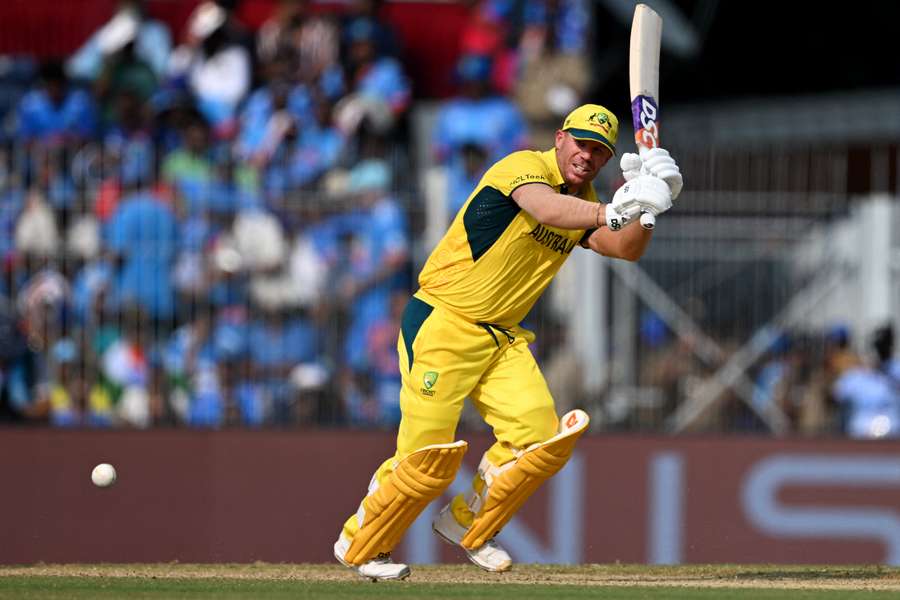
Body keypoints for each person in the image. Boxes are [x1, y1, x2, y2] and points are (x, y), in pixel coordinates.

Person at [332, 104, 683, 580]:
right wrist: (614, 208)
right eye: (581, 143)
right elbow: (545, 208)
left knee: (539, 440)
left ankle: (468, 525)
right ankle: (361, 544)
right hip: (444, 323)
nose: (587, 156)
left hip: (502, 338)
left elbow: (624, 248)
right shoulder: (521, 167)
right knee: (424, 458)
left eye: (599, 151)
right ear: (560, 138)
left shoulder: (587, 196)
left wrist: (650, 209)